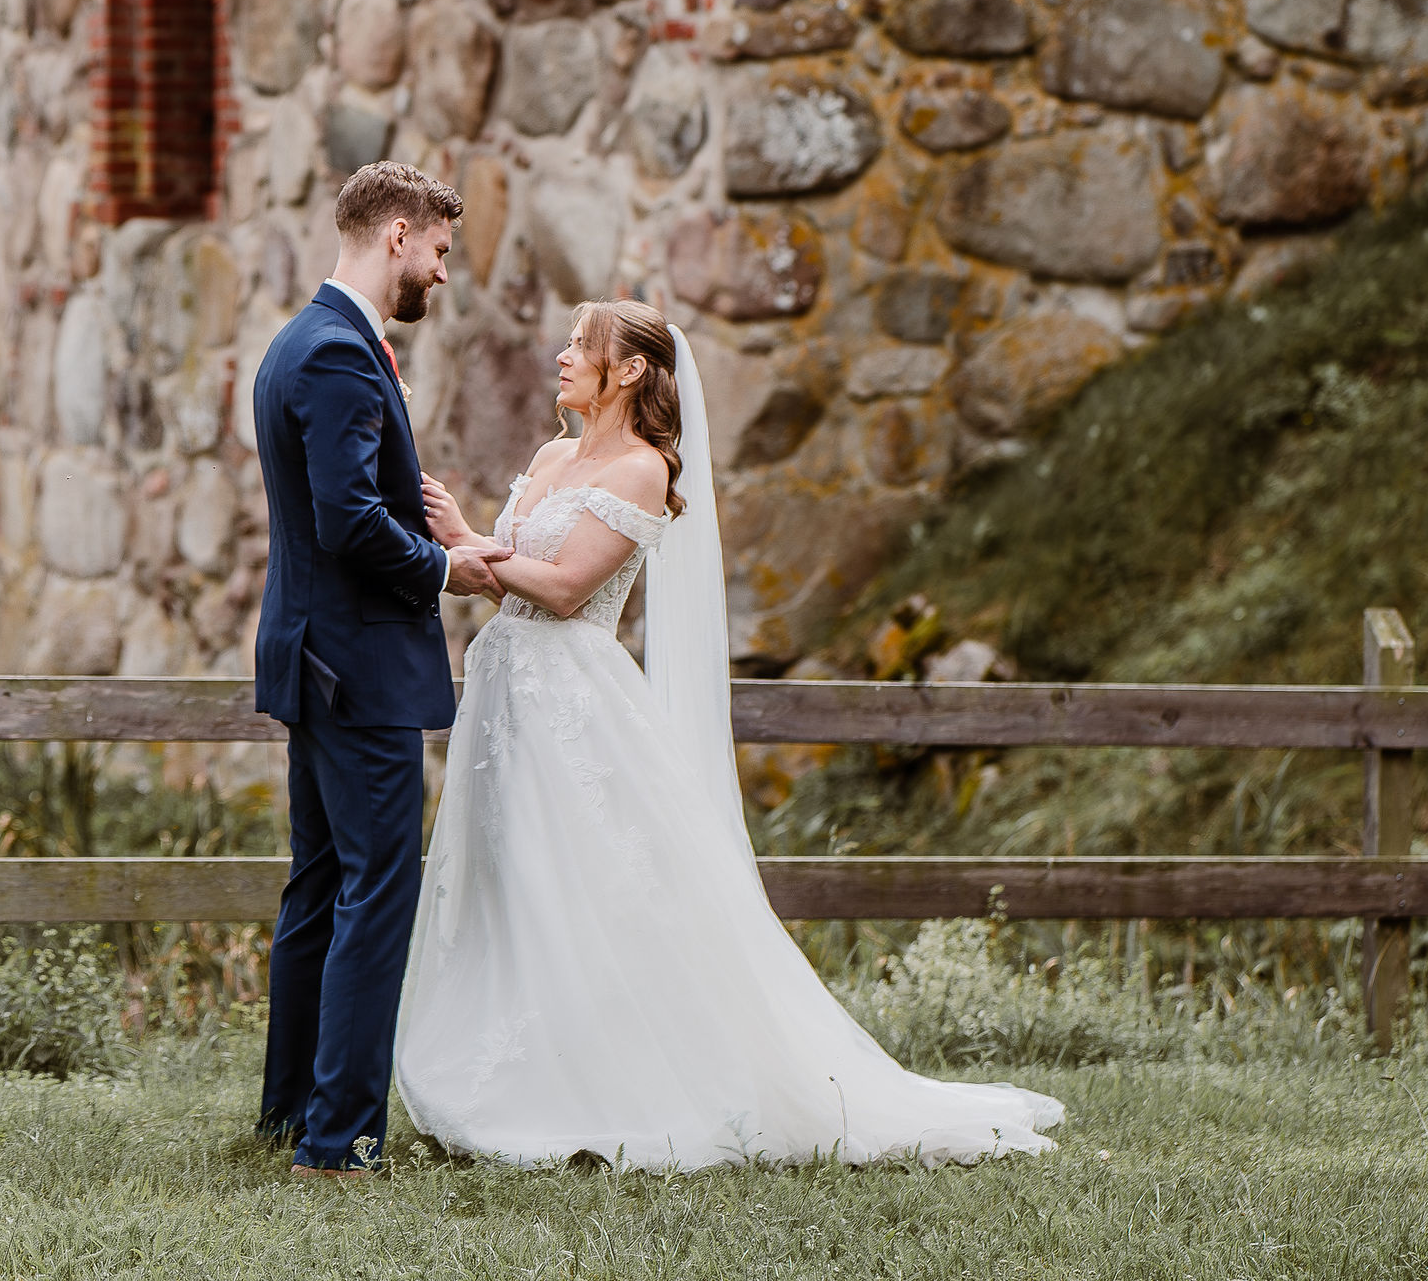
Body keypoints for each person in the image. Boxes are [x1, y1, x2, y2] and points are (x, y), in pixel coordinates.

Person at [393, 297, 1064, 1170]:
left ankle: (612, 1085)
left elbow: (562, 591)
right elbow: (513, 580)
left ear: (630, 370)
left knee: (580, 879)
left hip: (573, 699)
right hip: (504, 693)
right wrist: (467, 549)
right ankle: (519, 1071)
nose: (562, 356)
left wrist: (465, 544)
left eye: (581, 345)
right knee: (508, 875)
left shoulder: (641, 469)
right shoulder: (553, 455)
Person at [249, 159, 499, 1179]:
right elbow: (347, 520)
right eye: (437, 250)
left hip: (318, 657)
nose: (440, 271)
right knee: (376, 894)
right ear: (396, 234)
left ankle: (290, 1117)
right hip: (356, 669)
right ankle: (340, 1142)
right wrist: (446, 566)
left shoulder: (304, 340)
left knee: (320, 888)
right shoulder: (339, 358)